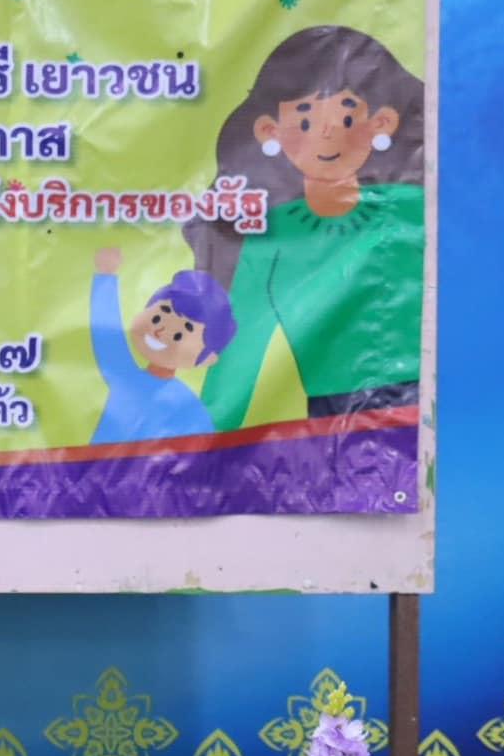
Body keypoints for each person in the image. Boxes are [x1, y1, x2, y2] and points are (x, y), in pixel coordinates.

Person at [185, 25, 425, 432]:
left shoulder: (415, 208)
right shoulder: (270, 233)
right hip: (332, 414)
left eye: (346, 115)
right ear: (270, 131)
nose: (327, 133)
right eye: (305, 119)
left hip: (426, 397)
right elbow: (245, 337)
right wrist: (207, 440)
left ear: (380, 123)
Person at [87, 247, 236, 444]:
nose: (160, 332)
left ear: (208, 358)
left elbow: (202, 449)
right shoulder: (126, 376)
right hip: (99, 463)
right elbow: (107, 337)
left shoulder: (189, 408)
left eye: (179, 334)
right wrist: (106, 277)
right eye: (157, 318)